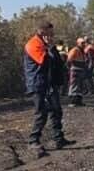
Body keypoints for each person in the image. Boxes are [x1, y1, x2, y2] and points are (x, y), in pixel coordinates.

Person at [23, 20, 72, 157]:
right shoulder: (33, 44)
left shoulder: (47, 45)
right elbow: (44, 61)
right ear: (43, 32)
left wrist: (52, 48)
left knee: (57, 110)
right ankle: (33, 141)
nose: (52, 35)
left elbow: (57, 62)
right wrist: (50, 48)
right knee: (41, 113)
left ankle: (59, 139)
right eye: (50, 33)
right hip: (38, 84)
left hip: (49, 83)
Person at [67, 38, 89, 107]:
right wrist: (69, 68)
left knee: (80, 86)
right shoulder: (75, 50)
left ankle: (79, 101)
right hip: (75, 70)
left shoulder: (82, 51)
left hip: (81, 70)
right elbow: (69, 59)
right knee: (74, 86)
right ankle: (73, 101)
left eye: (84, 43)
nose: (83, 44)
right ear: (78, 43)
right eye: (82, 43)